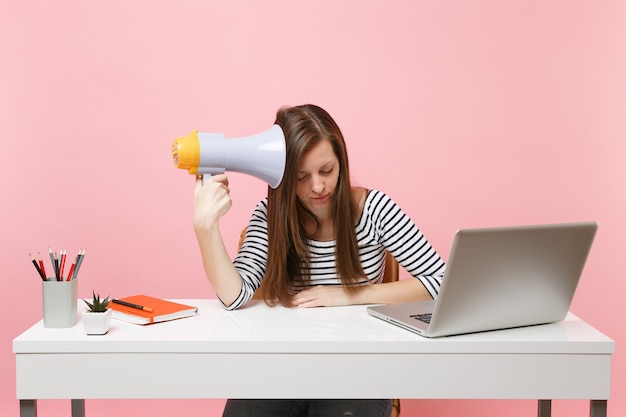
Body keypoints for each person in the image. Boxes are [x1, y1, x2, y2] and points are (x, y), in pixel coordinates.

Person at [192, 104, 446, 417]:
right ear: (283, 176)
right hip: (278, 369)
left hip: (357, 370)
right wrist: (205, 228)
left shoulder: (375, 210)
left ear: (342, 162)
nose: (317, 186)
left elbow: (442, 283)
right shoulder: (270, 218)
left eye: (327, 170)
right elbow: (235, 297)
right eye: (301, 176)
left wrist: (350, 295)